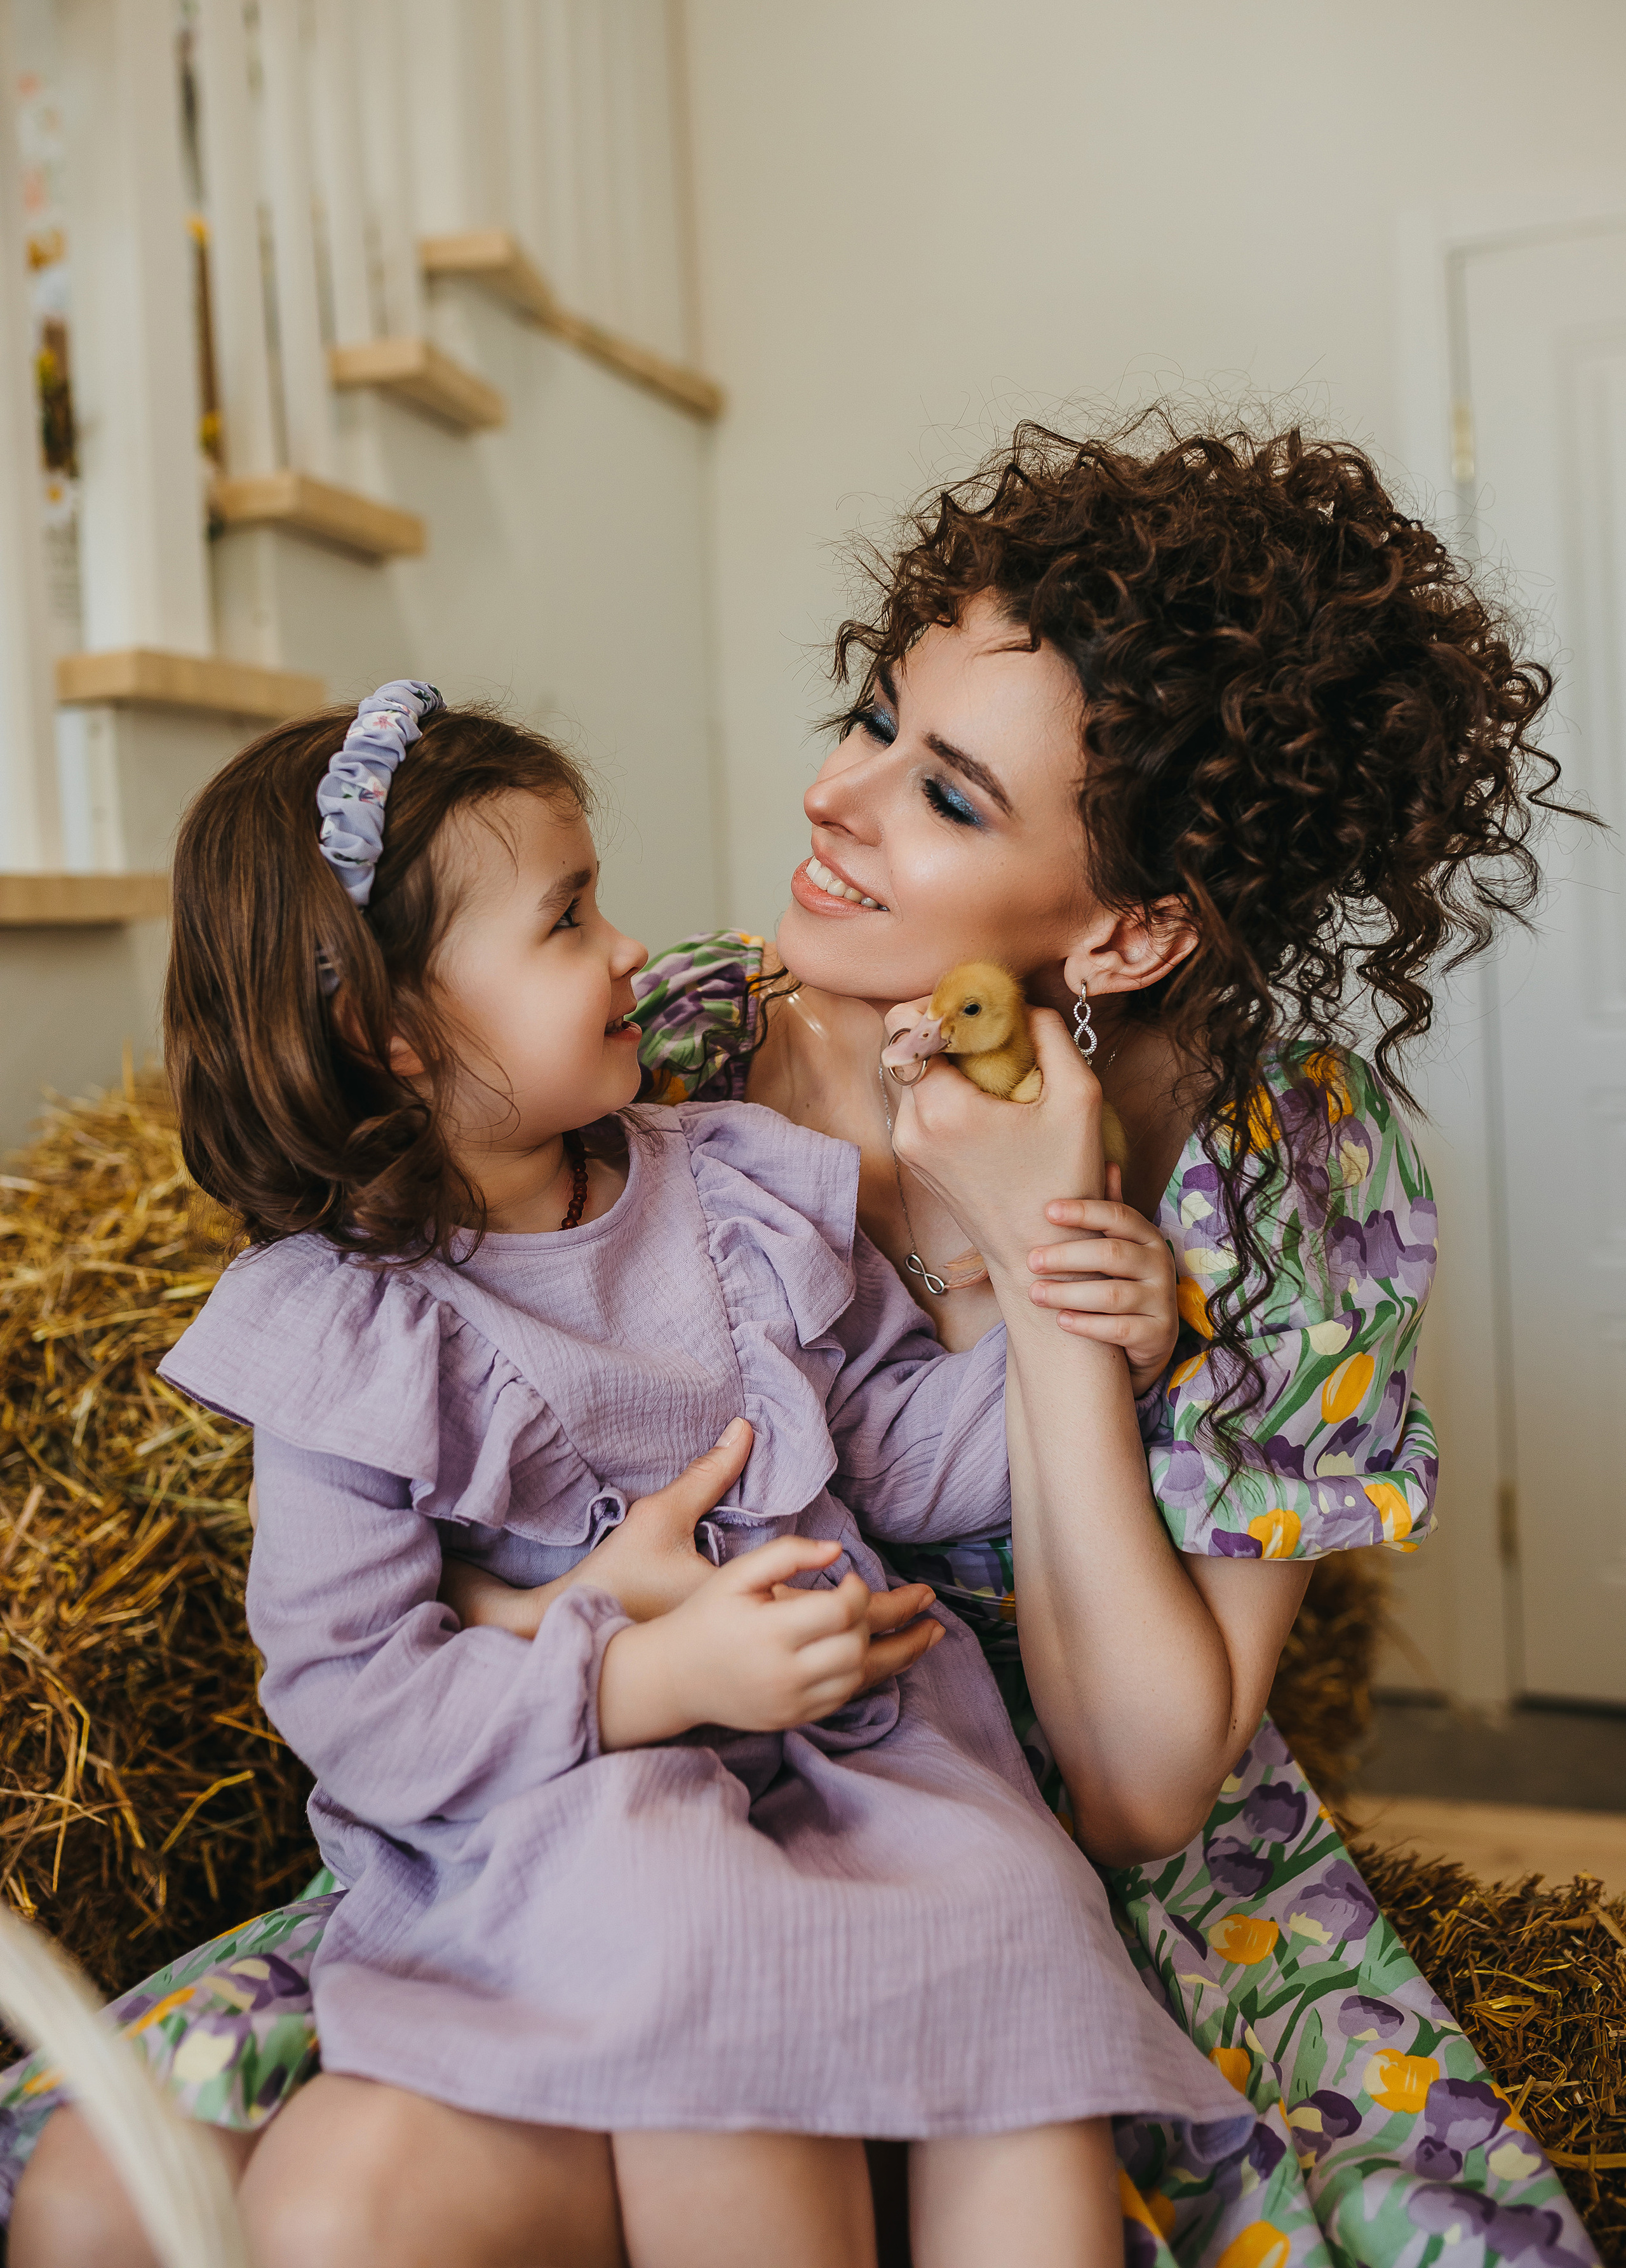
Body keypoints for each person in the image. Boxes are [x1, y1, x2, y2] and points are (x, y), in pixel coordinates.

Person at [4, 419, 1600, 2268]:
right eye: (870, 714)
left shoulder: (1297, 1163)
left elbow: (1145, 1786)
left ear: (1135, 926)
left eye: (946, 795)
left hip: (1019, 1848)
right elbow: (421, 1552)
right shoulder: (652, 1060)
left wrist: (1046, 1264)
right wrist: (610, 1638)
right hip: (634, 1805)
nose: (834, 797)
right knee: (109, 2183)